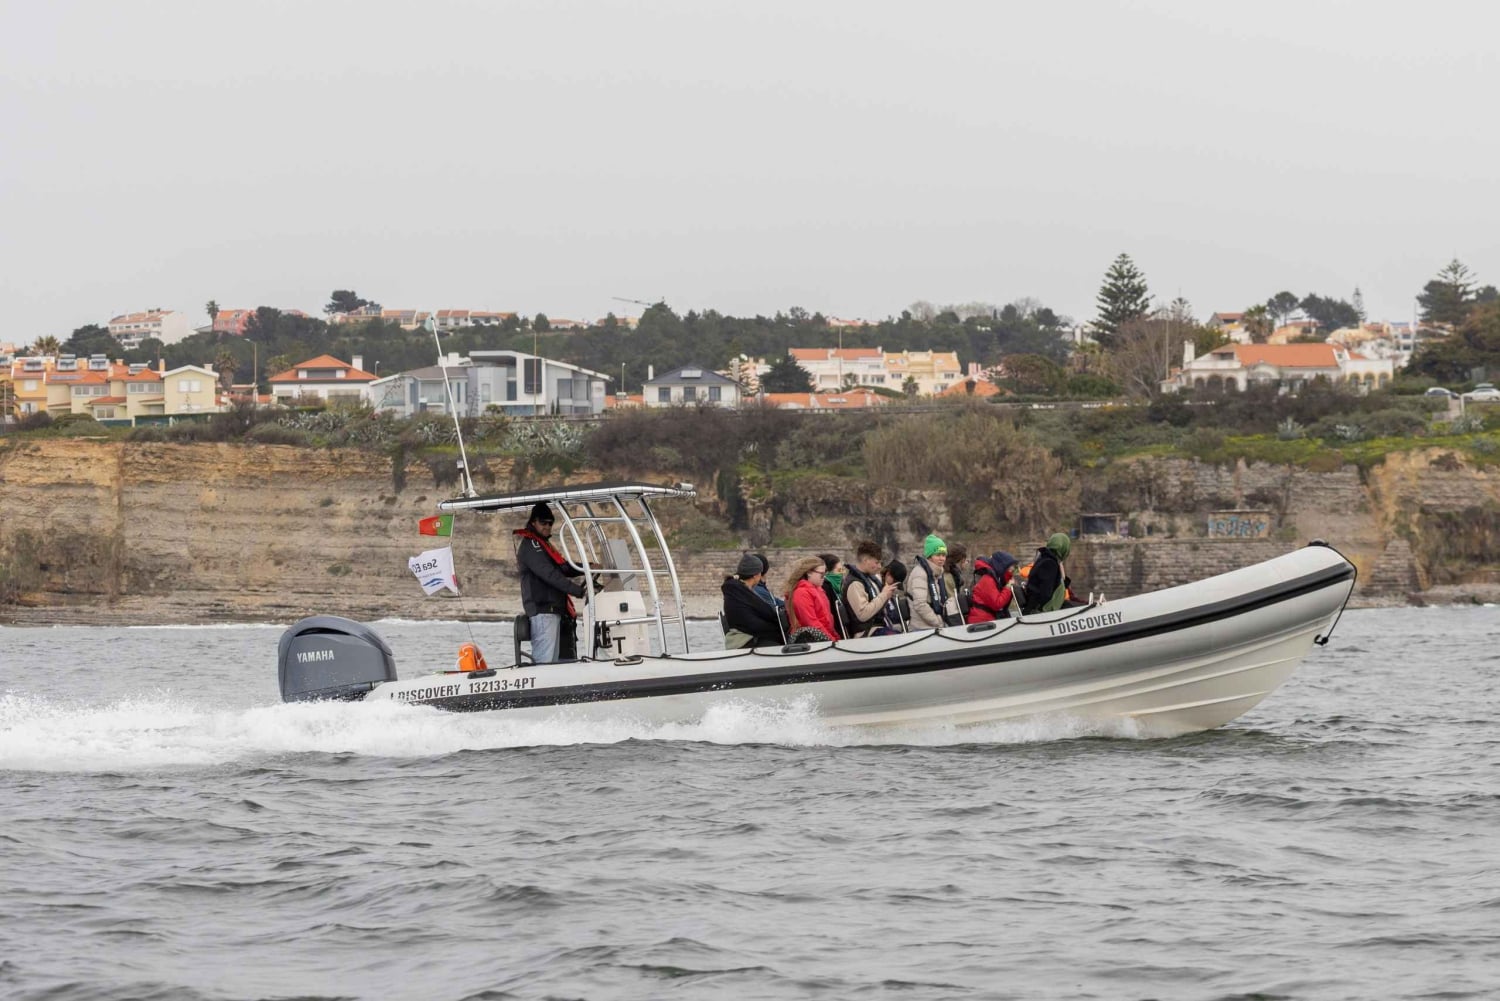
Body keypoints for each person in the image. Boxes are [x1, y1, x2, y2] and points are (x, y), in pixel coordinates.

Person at [514, 502, 588, 663]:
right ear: (533, 522)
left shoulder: (543, 545)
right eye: (543, 522)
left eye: (550, 523)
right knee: (544, 662)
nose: (547, 526)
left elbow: (563, 567)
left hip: (552, 611)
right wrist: (578, 591)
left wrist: (587, 567)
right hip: (543, 610)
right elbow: (550, 574)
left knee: (552, 663)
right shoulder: (531, 546)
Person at [721, 553, 784, 649]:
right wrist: (776, 628)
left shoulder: (737, 591)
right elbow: (751, 623)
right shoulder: (740, 593)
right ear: (756, 575)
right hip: (744, 640)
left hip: (748, 636)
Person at [843, 540, 901, 637]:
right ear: (866, 560)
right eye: (877, 562)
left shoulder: (870, 579)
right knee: (898, 638)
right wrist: (884, 595)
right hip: (865, 633)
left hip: (878, 627)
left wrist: (887, 595)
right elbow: (863, 615)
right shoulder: (855, 584)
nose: (880, 566)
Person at [784, 556, 838, 642]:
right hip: (809, 640)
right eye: (822, 574)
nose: (824, 577)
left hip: (822, 638)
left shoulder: (818, 590)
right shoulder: (801, 593)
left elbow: (827, 621)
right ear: (809, 573)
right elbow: (811, 623)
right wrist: (832, 640)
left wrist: (836, 637)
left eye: (825, 574)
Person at [906, 534, 955, 629]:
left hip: (932, 627)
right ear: (929, 556)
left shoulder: (934, 573)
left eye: (944, 555)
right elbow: (920, 605)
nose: (942, 558)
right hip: (921, 628)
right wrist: (939, 622)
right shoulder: (920, 574)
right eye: (938, 555)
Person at [1022, 533, 1078, 614]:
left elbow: (1053, 586)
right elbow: (1046, 593)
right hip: (1041, 610)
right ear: (1063, 549)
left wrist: (1062, 576)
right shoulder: (1050, 564)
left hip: (1037, 606)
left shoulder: (1044, 559)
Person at [968, 550, 1019, 624]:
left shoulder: (996, 579)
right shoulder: (988, 580)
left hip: (989, 618)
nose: (1013, 569)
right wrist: (1008, 587)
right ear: (1002, 566)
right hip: (981, 622)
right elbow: (997, 604)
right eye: (1011, 566)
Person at [818, 552, 847, 637]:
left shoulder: (838, 590)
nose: (842, 573)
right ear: (828, 572)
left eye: (843, 570)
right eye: (839, 570)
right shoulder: (825, 588)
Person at [944, 542, 970, 622]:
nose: (967, 562)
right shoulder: (948, 577)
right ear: (960, 560)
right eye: (965, 559)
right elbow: (952, 602)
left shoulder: (954, 574)